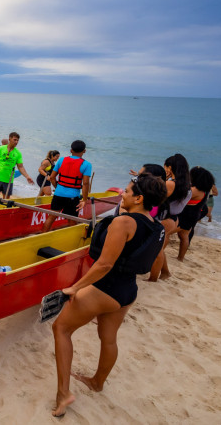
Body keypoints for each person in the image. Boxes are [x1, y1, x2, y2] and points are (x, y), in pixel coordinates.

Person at [50, 173, 167, 418]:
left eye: (126, 191)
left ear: (139, 198)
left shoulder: (123, 223)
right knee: (109, 338)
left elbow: (104, 265)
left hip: (105, 289)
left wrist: (75, 288)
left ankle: (63, 394)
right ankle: (97, 382)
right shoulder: (157, 227)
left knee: (61, 329)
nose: (122, 194)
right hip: (128, 292)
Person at [149, 153, 191, 281]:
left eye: (166, 166)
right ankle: (165, 272)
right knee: (159, 248)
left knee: (157, 249)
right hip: (174, 218)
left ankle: (154, 277)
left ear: (171, 167)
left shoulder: (171, 183)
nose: (164, 169)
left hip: (164, 218)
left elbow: (157, 198)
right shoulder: (187, 186)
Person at [42, 140, 91, 232]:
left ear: (71, 150)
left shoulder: (61, 160)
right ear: (84, 151)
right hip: (73, 197)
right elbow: (85, 184)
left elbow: (52, 177)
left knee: (51, 217)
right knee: (72, 221)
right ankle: (71, 240)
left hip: (58, 194)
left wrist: (57, 187)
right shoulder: (86, 164)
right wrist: (84, 200)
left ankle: (41, 236)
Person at [173, 166, 215, 261]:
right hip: (192, 215)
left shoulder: (195, 190)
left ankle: (179, 257)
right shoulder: (204, 189)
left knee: (169, 232)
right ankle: (180, 258)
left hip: (186, 216)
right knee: (184, 236)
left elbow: (179, 195)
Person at [0, 132, 35, 199]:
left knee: (6, 199)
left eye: (17, 140)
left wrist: (27, 176)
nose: (16, 142)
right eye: (15, 140)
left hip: (9, 179)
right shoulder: (0, 148)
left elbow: (20, 167)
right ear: (9, 139)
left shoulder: (18, 153)